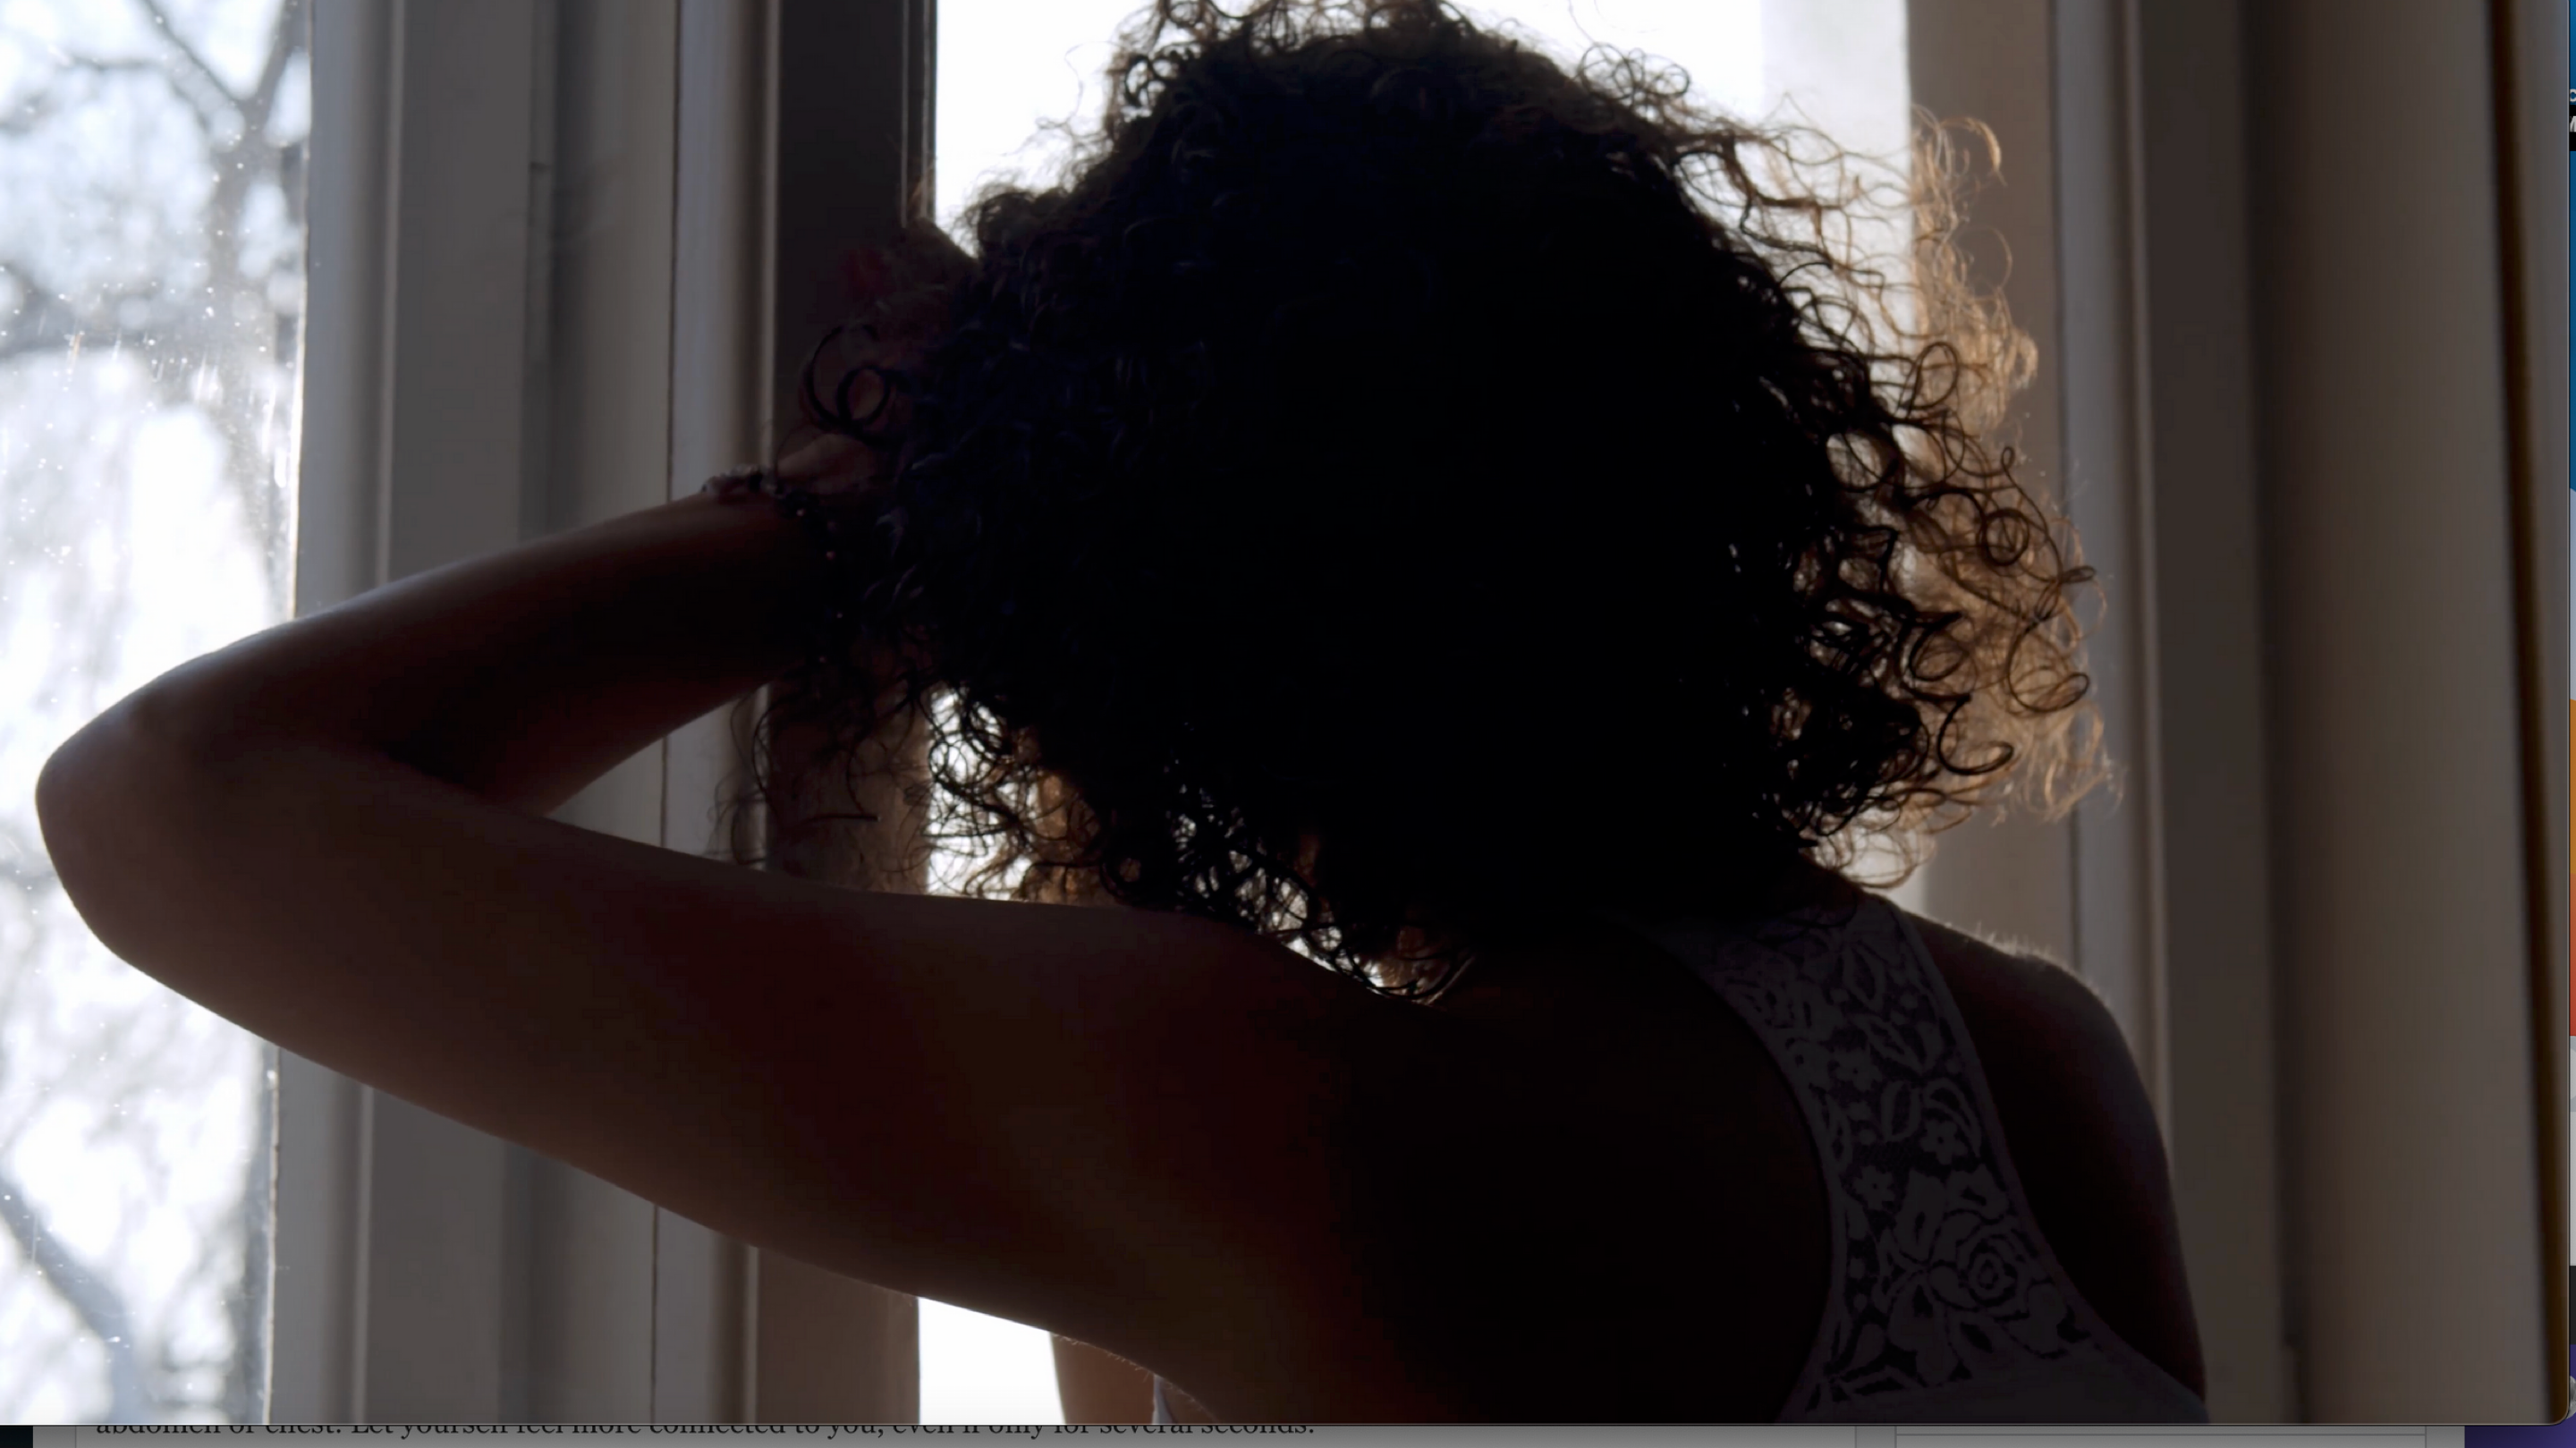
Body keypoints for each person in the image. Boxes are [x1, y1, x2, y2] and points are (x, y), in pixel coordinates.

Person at [36, 0, 2203, 1424]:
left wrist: (854, 517)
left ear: (1166, 575)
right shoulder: (2028, 1063)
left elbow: (176, 799)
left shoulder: (1282, 1118)